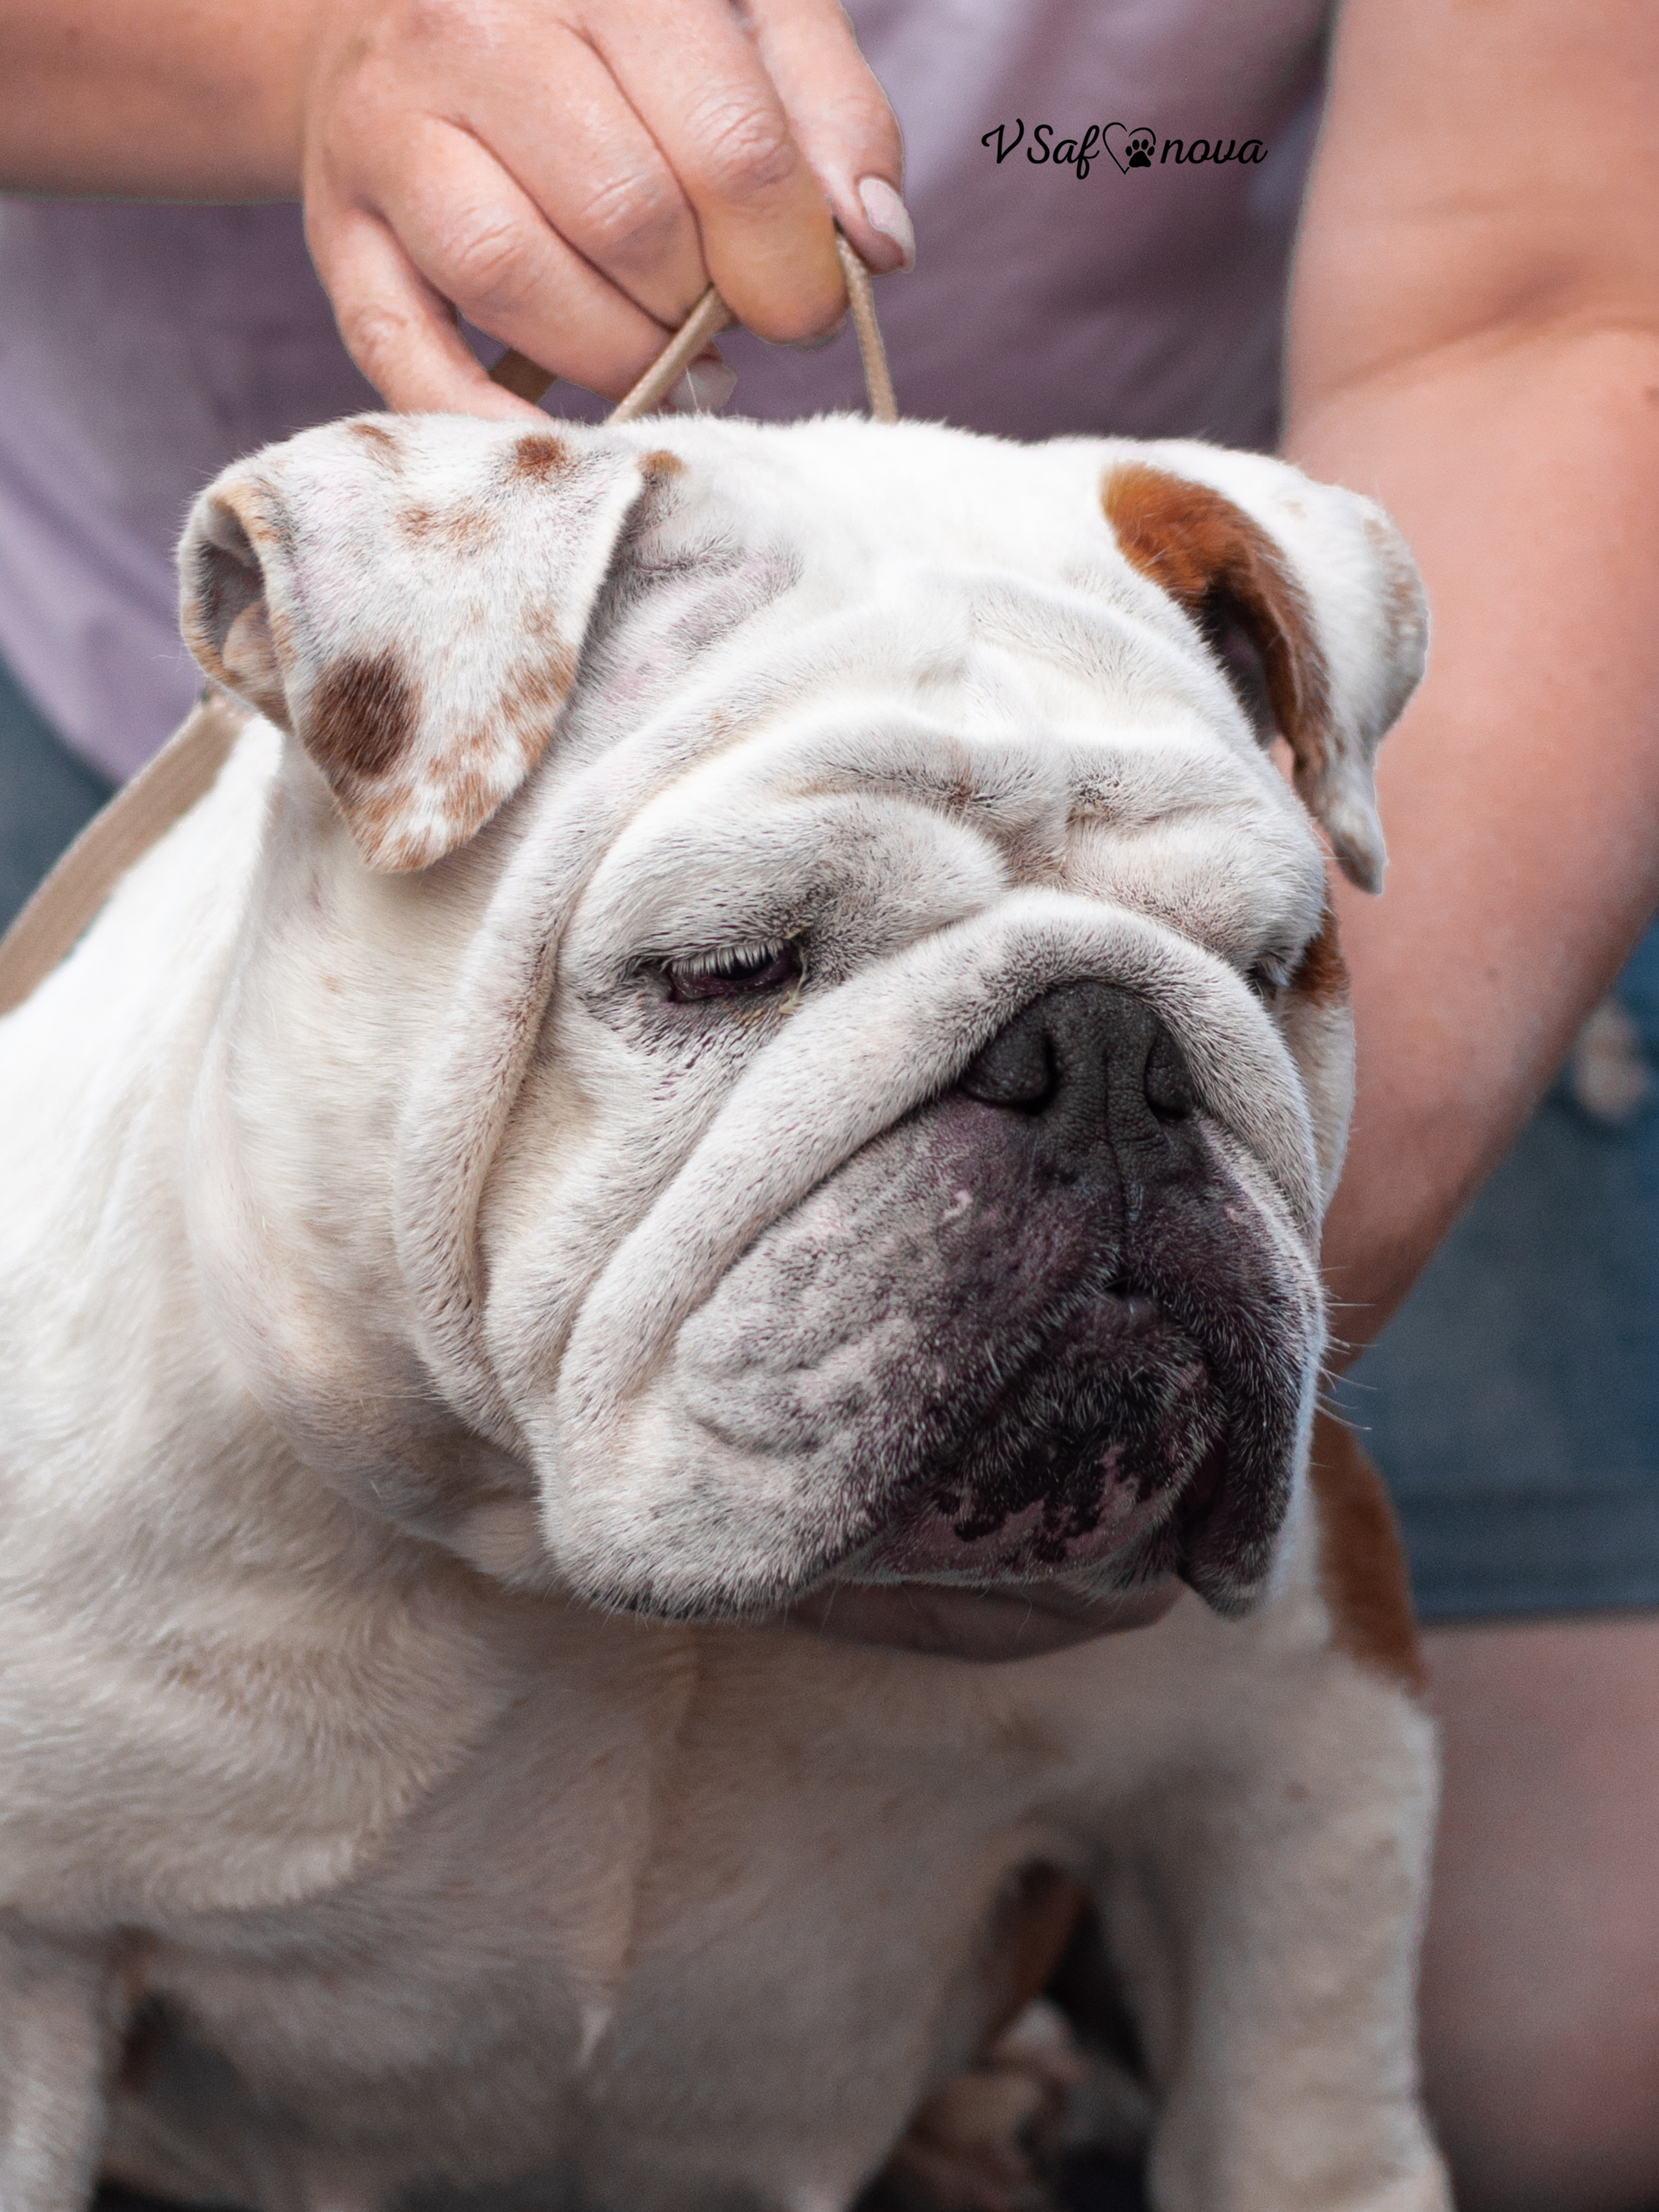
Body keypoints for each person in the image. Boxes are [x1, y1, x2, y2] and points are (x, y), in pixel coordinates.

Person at [3, 2, 1658, 2203]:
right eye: (741, 959)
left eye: (1242, 960)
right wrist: (303, 56)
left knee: (1586, 2051)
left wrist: (1247, 1227)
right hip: (132, 587)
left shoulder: (1247, 684)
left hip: (1159, 580)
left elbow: (1557, 289)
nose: (1054, 1138)